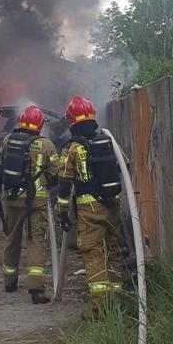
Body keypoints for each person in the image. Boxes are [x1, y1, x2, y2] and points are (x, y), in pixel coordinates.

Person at [56, 96, 124, 317]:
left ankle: (100, 309)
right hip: (113, 205)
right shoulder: (108, 141)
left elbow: (64, 183)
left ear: (71, 121)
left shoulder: (72, 149)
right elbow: (125, 165)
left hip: (90, 211)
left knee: (93, 254)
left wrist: (62, 212)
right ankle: (116, 300)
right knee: (112, 250)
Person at [0, 105, 59, 304]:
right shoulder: (47, 145)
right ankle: (36, 290)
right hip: (35, 201)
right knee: (36, 242)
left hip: (11, 198)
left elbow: (2, 163)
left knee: (11, 239)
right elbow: (55, 174)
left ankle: (9, 282)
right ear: (40, 125)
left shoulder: (8, 140)